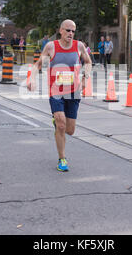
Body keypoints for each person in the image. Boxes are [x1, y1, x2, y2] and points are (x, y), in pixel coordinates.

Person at [28, 19, 91, 172]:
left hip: (73, 92)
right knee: (61, 124)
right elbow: (38, 65)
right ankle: (62, 159)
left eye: (73, 31)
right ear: (60, 31)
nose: (70, 33)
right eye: (68, 30)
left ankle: (57, 122)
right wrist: (31, 78)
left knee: (70, 130)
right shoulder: (51, 47)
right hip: (56, 91)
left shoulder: (79, 46)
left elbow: (88, 62)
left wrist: (85, 77)